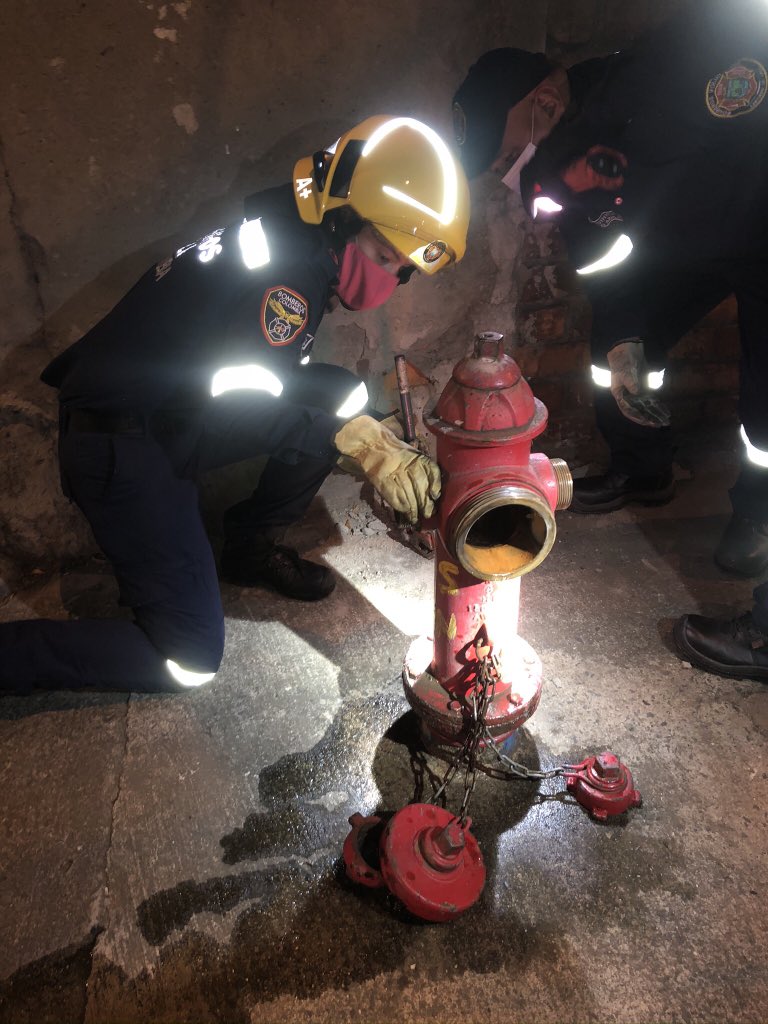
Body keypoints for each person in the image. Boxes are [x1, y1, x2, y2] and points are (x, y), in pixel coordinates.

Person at [0, 115, 469, 695]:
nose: (388, 277)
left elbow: (241, 382)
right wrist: (351, 440)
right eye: (382, 252)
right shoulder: (287, 280)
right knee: (188, 658)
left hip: (166, 414)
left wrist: (351, 428)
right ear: (339, 217)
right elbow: (232, 406)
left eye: (402, 270)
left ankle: (247, 547)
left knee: (339, 399)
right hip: (124, 444)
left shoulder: (289, 239)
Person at [451, 0, 768, 681]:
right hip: (705, 248)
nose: (513, 168)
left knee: (766, 418)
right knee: (622, 345)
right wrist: (626, 335)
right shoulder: (560, 153)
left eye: (510, 149)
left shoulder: (690, 60)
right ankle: (643, 467)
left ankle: (759, 531)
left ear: (541, 101)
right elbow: (600, 253)